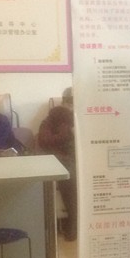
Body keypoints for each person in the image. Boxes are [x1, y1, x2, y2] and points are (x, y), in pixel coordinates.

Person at [38, 87, 77, 241]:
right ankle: (73, 223)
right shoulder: (52, 119)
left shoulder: (90, 117)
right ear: (64, 102)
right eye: (69, 101)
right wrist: (67, 130)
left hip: (85, 159)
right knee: (69, 171)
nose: (72, 105)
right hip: (61, 158)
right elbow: (44, 140)